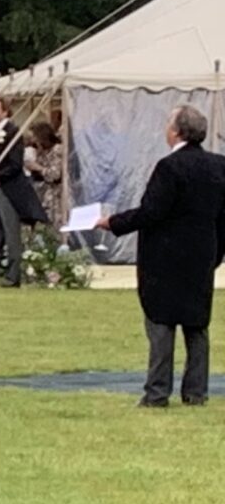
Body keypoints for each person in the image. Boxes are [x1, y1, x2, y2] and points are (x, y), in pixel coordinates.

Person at [99, 105, 225, 408]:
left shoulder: (169, 167)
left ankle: (157, 392)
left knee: (160, 322)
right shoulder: (218, 165)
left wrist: (113, 222)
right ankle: (196, 391)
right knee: (197, 325)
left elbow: (152, 211)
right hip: (201, 254)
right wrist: (217, 251)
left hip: (165, 256)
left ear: (176, 132)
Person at [0, 98, 49, 287]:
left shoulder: (13, 132)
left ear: (5, 112)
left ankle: (13, 276)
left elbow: (15, 165)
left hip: (11, 189)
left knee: (11, 233)